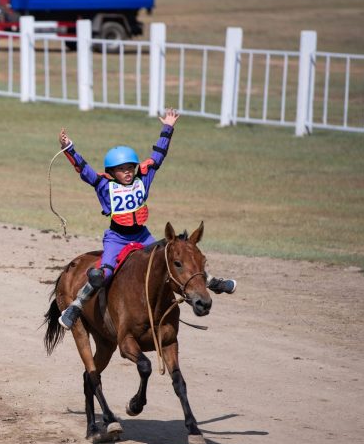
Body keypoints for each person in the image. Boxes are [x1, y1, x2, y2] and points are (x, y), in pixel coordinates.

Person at [57, 109, 237, 330]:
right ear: (112, 172)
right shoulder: (104, 185)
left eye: (130, 167)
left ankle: (212, 282)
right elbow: (84, 170)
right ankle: (76, 306)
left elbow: (159, 156)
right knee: (103, 273)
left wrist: (168, 128)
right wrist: (69, 148)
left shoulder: (143, 178)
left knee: (172, 259)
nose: (128, 172)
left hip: (142, 235)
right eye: (121, 169)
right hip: (117, 238)